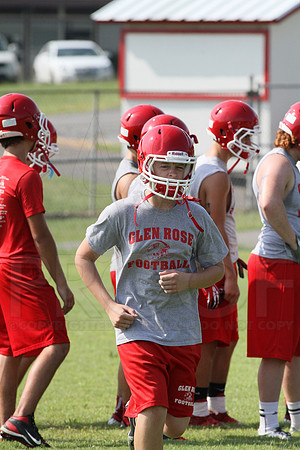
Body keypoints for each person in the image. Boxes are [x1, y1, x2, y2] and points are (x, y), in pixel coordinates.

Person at [75, 124, 228, 449]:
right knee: (155, 408)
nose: (172, 173)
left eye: (179, 166)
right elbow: (83, 258)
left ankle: (139, 415)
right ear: (146, 163)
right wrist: (109, 305)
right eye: (164, 164)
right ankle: (143, 413)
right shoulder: (124, 212)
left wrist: (190, 280)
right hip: (138, 330)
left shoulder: (196, 214)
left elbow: (216, 268)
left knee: (175, 424)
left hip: (183, 332)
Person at [0, 93, 74, 447]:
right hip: (20, 267)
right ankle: (21, 417)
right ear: (28, 127)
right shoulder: (26, 176)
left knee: (9, 350)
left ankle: (3, 423)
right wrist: (61, 283)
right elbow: (40, 235)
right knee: (56, 343)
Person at [189, 100, 261, 426]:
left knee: (226, 340)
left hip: (213, 262)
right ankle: (199, 411)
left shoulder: (205, 167)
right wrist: (228, 273)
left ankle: (216, 406)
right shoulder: (216, 176)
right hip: (212, 267)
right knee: (211, 342)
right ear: (226, 134)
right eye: (243, 135)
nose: (248, 143)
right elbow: (216, 228)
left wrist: (233, 258)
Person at [108, 104, 164, 427]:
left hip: (135, 265)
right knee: (138, 342)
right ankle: (126, 407)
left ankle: (123, 406)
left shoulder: (133, 168)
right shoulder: (131, 178)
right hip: (133, 268)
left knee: (135, 341)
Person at [247, 102, 300, 439]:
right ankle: (268, 424)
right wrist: (295, 242)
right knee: (276, 348)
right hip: (275, 262)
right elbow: (269, 202)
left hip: (284, 262)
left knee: (293, 348)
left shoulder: (285, 160)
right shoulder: (281, 162)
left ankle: (296, 418)